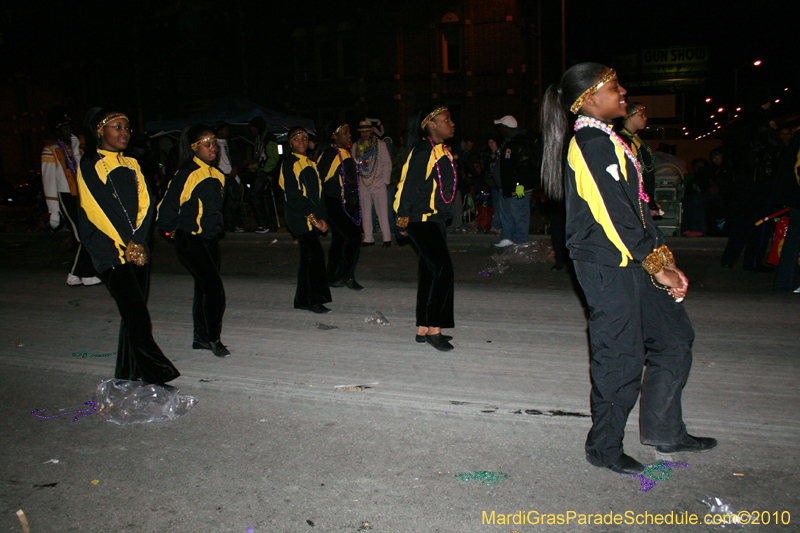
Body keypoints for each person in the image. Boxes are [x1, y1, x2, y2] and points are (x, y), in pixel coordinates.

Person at [539, 63, 715, 475]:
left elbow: (636, 209)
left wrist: (666, 260)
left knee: (674, 338)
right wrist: (658, 267)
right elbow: (614, 215)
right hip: (607, 265)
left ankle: (664, 430)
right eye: (613, 86)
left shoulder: (609, 139)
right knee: (620, 357)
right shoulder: (589, 143)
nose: (623, 92)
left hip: (634, 259)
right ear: (587, 99)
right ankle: (603, 447)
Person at [76, 108, 180, 384]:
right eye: (117, 127)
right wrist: (126, 241)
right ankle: (156, 372)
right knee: (136, 314)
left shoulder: (133, 163)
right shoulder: (90, 163)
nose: (124, 132)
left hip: (137, 247)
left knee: (133, 313)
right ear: (100, 131)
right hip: (109, 249)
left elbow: (147, 201)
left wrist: (141, 237)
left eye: (127, 128)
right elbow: (96, 208)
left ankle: (127, 376)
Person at [157, 125, 230, 357]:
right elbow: (167, 206)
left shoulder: (218, 175)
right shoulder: (187, 173)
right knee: (214, 288)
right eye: (207, 144)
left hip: (210, 240)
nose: (213, 148)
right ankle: (212, 338)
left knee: (203, 287)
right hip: (190, 239)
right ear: (194, 148)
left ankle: (200, 338)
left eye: (214, 143)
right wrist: (170, 231)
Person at [394, 106, 457, 352]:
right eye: (446, 119)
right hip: (421, 221)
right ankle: (434, 328)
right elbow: (408, 186)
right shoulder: (423, 151)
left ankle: (423, 326)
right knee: (444, 271)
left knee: (430, 272)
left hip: (434, 220)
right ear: (431, 124)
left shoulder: (439, 151)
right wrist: (402, 222)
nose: (452, 123)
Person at [41, 108, 101, 286]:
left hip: (82, 196)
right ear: (58, 131)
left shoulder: (78, 148)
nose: (70, 132)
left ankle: (79, 275)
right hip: (65, 197)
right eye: (65, 128)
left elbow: (84, 171)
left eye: (70, 127)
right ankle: (78, 273)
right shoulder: (50, 150)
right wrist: (54, 210)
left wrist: (76, 151)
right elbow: (48, 181)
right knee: (83, 236)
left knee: (86, 235)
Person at [279, 127, 332, 313]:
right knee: (314, 257)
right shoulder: (289, 163)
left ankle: (302, 299)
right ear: (290, 143)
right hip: (299, 218)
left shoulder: (310, 162)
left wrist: (323, 217)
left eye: (304, 138)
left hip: (312, 217)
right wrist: (313, 219)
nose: (301, 142)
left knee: (308, 258)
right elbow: (294, 196)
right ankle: (313, 300)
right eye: (296, 139)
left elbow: (318, 194)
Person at [316, 122, 364, 290]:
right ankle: (346, 275)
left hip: (348, 204)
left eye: (349, 132)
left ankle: (332, 276)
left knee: (340, 240)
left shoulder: (346, 153)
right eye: (345, 133)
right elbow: (319, 181)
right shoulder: (330, 154)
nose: (349, 136)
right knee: (354, 237)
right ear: (334, 136)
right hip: (335, 203)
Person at [492, 115, 536, 248]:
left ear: (506, 127)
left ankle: (521, 240)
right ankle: (508, 237)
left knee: (519, 213)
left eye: (501, 126)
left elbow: (524, 166)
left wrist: (519, 186)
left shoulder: (519, 142)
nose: (499, 130)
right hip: (506, 186)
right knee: (506, 213)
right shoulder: (509, 141)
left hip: (517, 187)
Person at [352, 120, 393, 247]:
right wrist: (360, 160)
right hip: (364, 182)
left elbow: (387, 163)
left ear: (371, 131)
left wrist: (385, 180)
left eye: (367, 131)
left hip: (378, 182)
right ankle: (368, 237)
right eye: (362, 132)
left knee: (382, 211)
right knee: (365, 211)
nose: (365, 134)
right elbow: (356, 163)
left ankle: (387, 238)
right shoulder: (356, 146)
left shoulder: (380, 145)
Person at [615, 102, 660, 217]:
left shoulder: (636, 140)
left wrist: (650, 202)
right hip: (632, 200)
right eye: (641, 114)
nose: (645, 118)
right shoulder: (622, 141)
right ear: (628, 116)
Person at [247, 117, 280, 233]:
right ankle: (270, 225)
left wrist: (264, 171)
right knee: (265, 198)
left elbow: (273, 158)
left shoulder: (269, 137)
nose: (251, 130)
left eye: (252, 127)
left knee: (255, 195)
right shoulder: (259, 138)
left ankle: (264, 223)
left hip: (267, 173)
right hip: (263, 171)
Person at [216, 122, 244, 233]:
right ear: (219, 131)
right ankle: (225, 224)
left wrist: (236, 169)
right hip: (219, 176)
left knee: (234, 201)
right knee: (222, 202)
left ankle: (236, 224)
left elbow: (237, 159)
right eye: (225, 130)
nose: (227, 133)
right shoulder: (213, 144)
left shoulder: (231, 144)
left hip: (231, 175)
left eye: (228, 130)